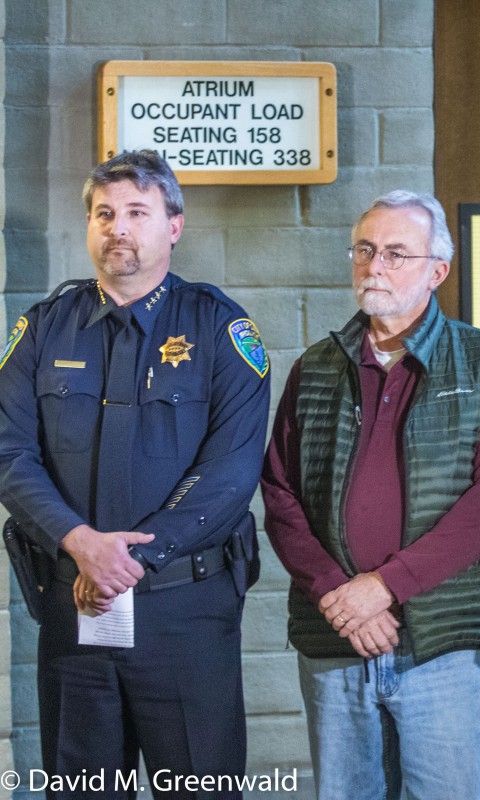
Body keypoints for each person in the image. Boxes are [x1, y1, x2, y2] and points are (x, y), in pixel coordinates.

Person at [0, 150, 270, 796]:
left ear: (173, 226)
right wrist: (81, 544)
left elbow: (231, 472)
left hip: (184, 614)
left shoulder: (219, 329)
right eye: (104, 213)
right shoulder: (42, 330)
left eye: (137, 212)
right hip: (75, 608)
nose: (117, 227)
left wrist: (130, 562)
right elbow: (9, 452)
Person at [261, 190, 480, 800]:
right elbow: (279, 493)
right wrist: (338, 594)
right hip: (338, 640)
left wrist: (384, 587)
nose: (374, 265)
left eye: (396, 253)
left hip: (448, 645)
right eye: (365, 249)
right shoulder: (316, 367)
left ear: (438, 271)